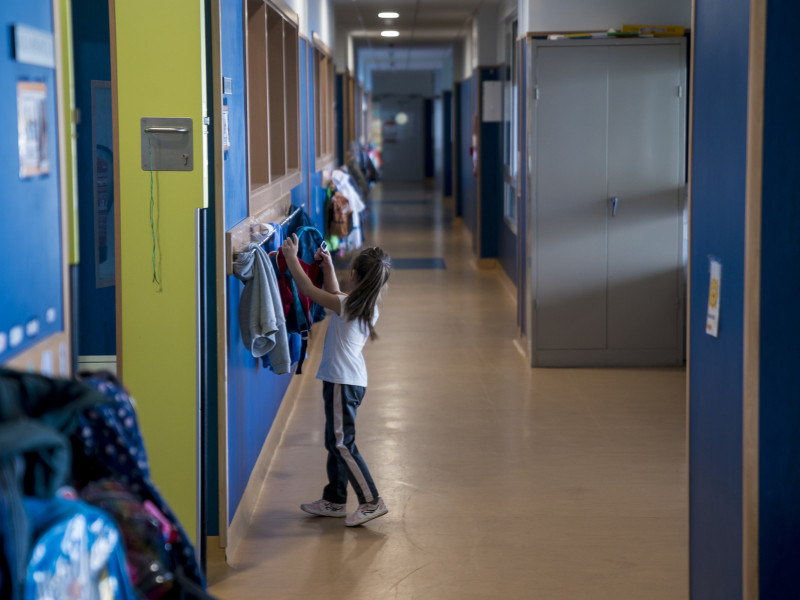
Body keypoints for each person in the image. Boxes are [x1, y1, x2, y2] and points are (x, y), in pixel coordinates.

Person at [280, 234, 392, 527]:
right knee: (335, 441)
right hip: (344, 380)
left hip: (344, 382)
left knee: (343, 444)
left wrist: (291, 256)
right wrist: (328, 266)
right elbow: (334, 294)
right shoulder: (361, 303)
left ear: (355, 275)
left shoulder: (351, 306)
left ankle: (371, 501)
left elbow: (307, 289)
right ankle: (335, 500)